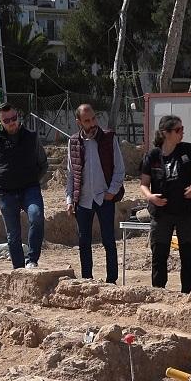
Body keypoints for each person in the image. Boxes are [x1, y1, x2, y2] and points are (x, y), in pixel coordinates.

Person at [139, 115, 191, 293]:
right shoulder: (153, 155)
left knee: (188, 254)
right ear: (165, 133)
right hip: (162, 213)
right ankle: (159, 292)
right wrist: (150, 197)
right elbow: (144, 184)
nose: (182, 133)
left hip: (187, 211)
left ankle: (188, 293)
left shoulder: (188, 150)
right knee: (159, 254)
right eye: (178, 130)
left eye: (182, 129)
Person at [65, 104, 125, 283]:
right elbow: (71, 173)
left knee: (108, 240)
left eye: (93, 119)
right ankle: (87, 279)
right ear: (79, 122)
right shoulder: (74, 142)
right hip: (82, 200)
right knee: (84, 242)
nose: (91, 124)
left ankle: (111, 280)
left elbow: (119, 169)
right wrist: (69, 199)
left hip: (104, 197)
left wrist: (112, 192)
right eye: (87, 121)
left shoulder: (108, 138)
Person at [0, 102, 48, 269]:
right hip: (6, 193)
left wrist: (32, 180)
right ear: (1, 122)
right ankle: (18, 269)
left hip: (30, 189)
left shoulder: (31, 137)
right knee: (13, 235)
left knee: (36, 216)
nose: (11, 122)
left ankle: (32, 260)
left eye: (14, 118)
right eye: (7, 120)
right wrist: (2, 180)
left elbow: (43, 163)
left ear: (18, 117)